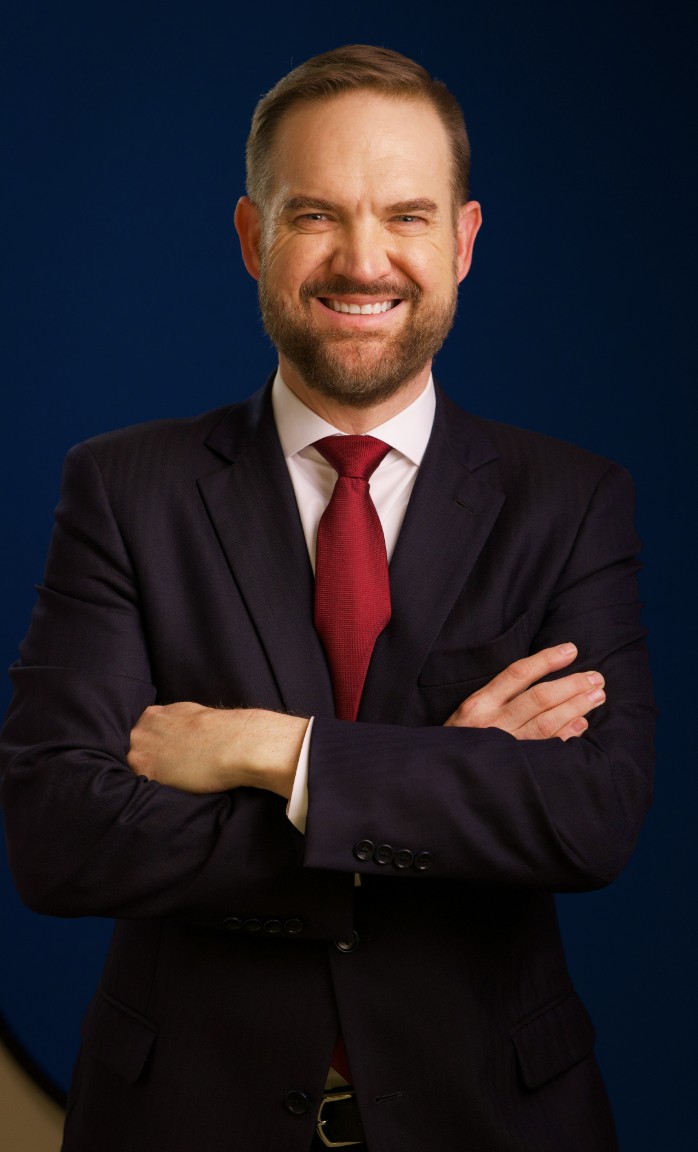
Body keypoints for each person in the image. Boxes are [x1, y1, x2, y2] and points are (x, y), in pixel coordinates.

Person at [0, 44, 655, 1152]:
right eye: (315, 215)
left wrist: (278, 753)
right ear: (252, 237)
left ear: (462, 241)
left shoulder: (571, 501)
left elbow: (588, 820)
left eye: (405, 216)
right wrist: (444, 778)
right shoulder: (122, 489)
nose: (363, 260)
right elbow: (59, 836)